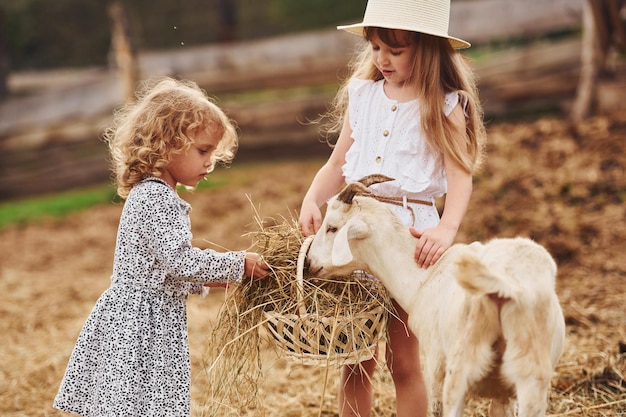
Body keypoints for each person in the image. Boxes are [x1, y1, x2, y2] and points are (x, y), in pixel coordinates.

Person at [298, 1, 486, 416]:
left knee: (403, 360)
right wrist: (313, 200)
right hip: (355, 239)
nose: (382, 59)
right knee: (354, 358)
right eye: (376, 48)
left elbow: (460, 176)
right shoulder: (363, 95)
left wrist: (446, 228)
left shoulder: (444, 104)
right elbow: (336, 164)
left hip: (410, 241)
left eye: (395, 51)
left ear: (428, 48)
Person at [53, 77, 270, 417]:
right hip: (142, 325)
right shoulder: (155, 197)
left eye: (212, 152)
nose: (209, 162)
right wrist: (237, 263)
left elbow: (161, 268)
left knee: (143, 406)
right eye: (203, 151)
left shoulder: (155, 193)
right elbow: (179, 260)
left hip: (147, 317)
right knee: (141, 406)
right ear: (167, 144)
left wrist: (210, 280)